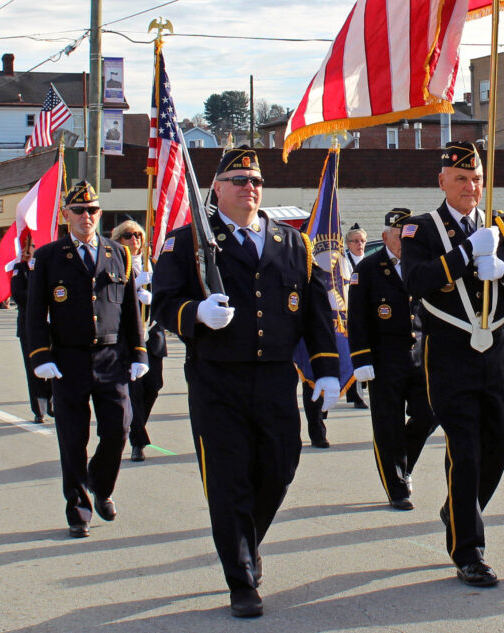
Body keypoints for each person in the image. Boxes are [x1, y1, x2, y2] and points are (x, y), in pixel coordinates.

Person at [152, 147, 341, 617]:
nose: (248, 187)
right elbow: (161, 303)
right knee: (228, 478)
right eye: (237, 179)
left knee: (280, 466)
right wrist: (194, 313)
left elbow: (316, 312)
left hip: (276, 378)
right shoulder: (191, 241)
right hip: (218, 380)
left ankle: (247, 536)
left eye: (255, 180)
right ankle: (240, 577)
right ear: (216, 188)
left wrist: (329, 369)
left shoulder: (291, 243)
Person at [399, 140, 504, 587]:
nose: (471, 187)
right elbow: (415, 282)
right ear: (442, 181)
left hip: (497, 350)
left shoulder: (503, 224)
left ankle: (458, 509)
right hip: (450, 351)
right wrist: (464, 255)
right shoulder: (421, 229)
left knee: (499, 446)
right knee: (465, 449)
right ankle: (469, 551)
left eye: (476, 179)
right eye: (461, 178)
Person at [26, 180, 148, 538]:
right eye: (78, 210)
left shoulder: (117, 253)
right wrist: (40, 356)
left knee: (119, 429)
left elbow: (130, 310)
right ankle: (78, 508)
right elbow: (35, 313)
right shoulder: (49, 257)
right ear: (66, 215)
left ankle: (101, 484)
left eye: (92, 210)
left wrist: (139, 351)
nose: (86, 216)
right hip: (68, 359)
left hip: (112, 357)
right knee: (72, 437)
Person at [349, 208, 438, 510]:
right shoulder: (368, 268)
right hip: (383, 358)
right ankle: (397, 487)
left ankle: (405, 463)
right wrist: (360, 358)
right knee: (387, 424)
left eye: (410, 236)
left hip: (420, 354)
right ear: (386, 236)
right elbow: (357, 318)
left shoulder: (421, 266)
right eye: (400, 236)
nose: (405, 242)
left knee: (429, 412)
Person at [111, 220, 164, 462]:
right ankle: (138, 441)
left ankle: (136, 423)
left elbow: (167, 295)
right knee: (134, 391)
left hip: (152, 335)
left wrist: (153, 297)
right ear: (118, 239)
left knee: (153, 386)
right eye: (128, 236)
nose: (135, 241)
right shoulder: (115, 265)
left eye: (138, 236)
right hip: (128, 339)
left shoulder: (151, 265)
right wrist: (132, 287)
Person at [11, 236, 53, 423]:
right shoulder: (20, 269)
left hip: (52, 325)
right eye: (34, 245)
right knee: (34, 368)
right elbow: (19, 295)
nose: (37, 248)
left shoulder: (51, 267)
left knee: (56, 365)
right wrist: (39, 294)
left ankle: (52, 401)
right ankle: (39, 409)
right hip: (29, 326)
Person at [343, 225, 369, 409]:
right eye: (355, 241)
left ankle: (357, 391)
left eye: (362, 241)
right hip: (346, 314)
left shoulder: (369, 262)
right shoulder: (343, 263)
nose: (359, 244)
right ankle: (354, 394)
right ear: (347, 243)